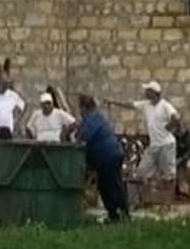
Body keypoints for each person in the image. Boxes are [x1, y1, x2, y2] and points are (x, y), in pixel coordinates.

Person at [76, 94, 129, 222]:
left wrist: (76, 137)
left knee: (112, 186)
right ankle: (115, 214)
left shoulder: (92, 118)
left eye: (80, 108)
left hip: (108, 156)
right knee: (106, 186)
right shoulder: (94, 117)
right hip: (109, 156)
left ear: (84, 108)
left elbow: (84, 137)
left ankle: (121, 214)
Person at [130, 82, 180, 205]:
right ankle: (145, 200)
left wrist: (170, 127)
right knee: (142, 171)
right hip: (154, 145)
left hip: (166, 144)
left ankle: (168, 203)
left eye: (148, 90)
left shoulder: (165, 105)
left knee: (168, 176)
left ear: (154, 93)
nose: (145, 93)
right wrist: (112, 103)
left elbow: (176, 118)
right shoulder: (146, 105)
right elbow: (130, 105)